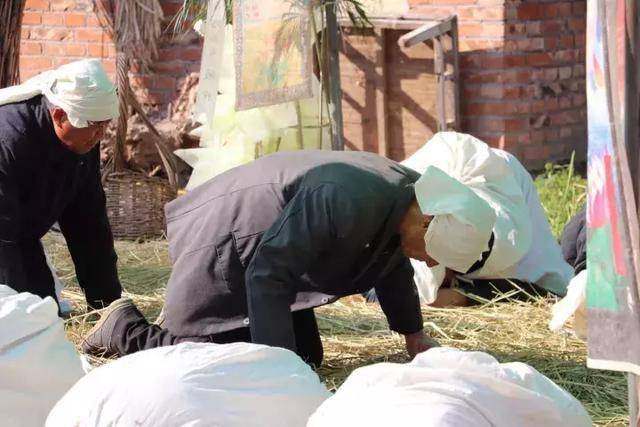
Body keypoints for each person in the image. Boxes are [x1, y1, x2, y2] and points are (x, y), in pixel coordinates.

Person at [83, 149, 497, 367]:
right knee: (186, 353)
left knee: (305, 358)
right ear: (425, 224)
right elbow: (267, 275)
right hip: (229, 233)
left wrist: (414, 337)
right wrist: (275, 373)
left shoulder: (407, 202)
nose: (428, 264)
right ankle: (122, 327)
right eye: (431, 254)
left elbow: (391, 268)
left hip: (272, 251)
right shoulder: (346, 198)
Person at [365, 132, 573, 307]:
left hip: (499, 180)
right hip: (439, 171)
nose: (428, 263)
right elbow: (388, 298)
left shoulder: (515, 234)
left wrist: (461, 296)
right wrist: (451, 296)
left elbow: (543, 293)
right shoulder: (409, 216)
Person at [0, 59, 122, 309]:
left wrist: (108, 308)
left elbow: (89, 225)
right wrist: (17, 313)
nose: (100, 135)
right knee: (23, 323)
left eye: (105, 124)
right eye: (93, 126)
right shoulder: (9, 139)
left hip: (21, 237)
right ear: (58, 116)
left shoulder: (83, 135)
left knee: (47, 313)